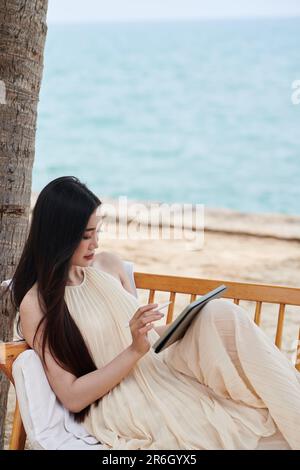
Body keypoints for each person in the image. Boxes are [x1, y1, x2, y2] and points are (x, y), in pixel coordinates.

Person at [9, 176, 300, 450]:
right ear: (59, 236)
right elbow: (72, 396)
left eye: (98, 231)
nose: (96, 243)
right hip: (124, 399)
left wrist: (185, 323)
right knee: (259, 433)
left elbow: (149, 339)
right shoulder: (37, 304)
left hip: (164, 370)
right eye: (86, 236)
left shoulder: (108, 265)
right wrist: (134, 350)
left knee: (221, 313)